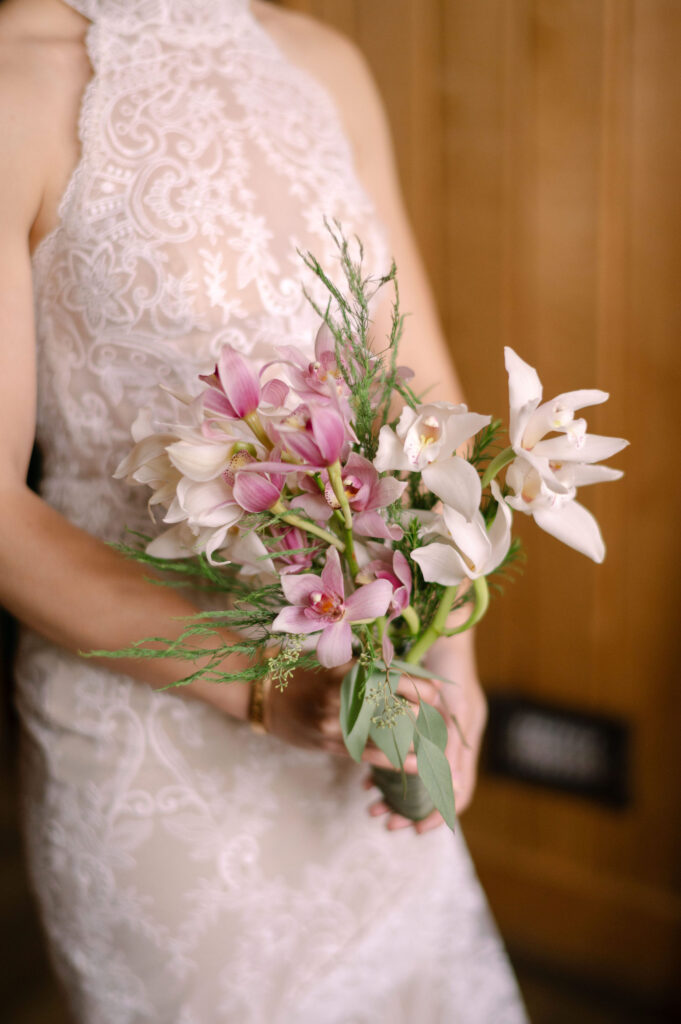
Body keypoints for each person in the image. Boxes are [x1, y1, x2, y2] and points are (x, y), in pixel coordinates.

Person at [0, 0, 528, 1020]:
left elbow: (423, 412)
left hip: (370, 710)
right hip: (159, 768)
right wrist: (268, 688)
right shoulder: (16, 82)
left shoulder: (324, 62)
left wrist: (453, 671)